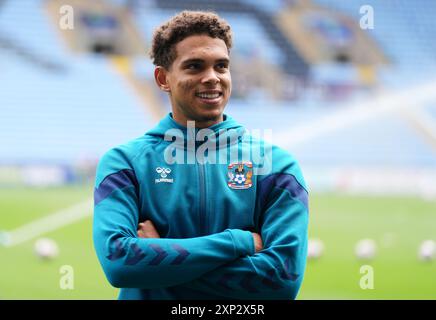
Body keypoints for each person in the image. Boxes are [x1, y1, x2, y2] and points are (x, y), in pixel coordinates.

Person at [93, 10, 309, 300]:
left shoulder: (278, 166)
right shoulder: (125, 163)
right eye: (194, 66)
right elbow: (120, 264)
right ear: (162, 78)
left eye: (221, 66)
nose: (212, 78)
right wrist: (237, 242)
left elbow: (283, 280)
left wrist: (160, 263)